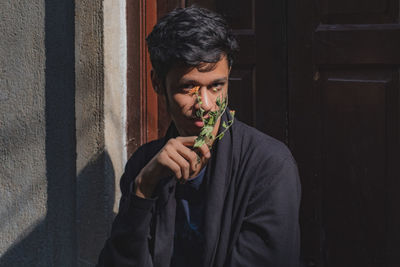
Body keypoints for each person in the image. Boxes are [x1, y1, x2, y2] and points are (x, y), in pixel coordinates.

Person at [97, 6, 301, 267]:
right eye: (187, 87)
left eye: (216, 86)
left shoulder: (268, 165)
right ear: (157, 84)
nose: (205, 104)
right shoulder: (145, 165)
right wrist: (142, 190)